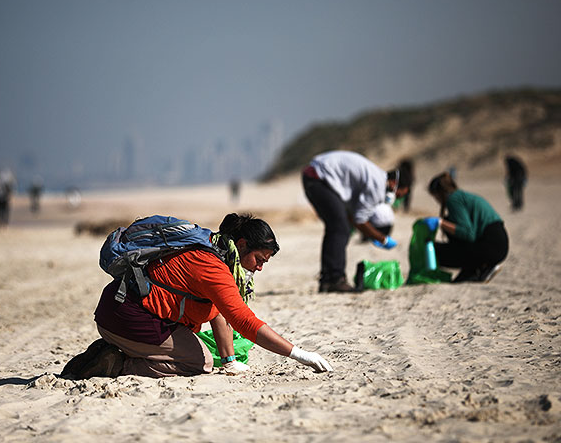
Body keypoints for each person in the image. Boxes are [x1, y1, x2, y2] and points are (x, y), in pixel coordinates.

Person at [62, 213, 333, 379]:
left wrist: (230, 362)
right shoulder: (212, 266)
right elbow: (242, 320)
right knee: (198, 361)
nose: (259, 268)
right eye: (258, 259)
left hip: (122, 308)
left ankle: (113, 353)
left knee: (202, 356)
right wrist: (300, 354)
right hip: (125, 315)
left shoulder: (215, 251)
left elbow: (217, 310)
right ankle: (115, 364)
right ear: (241, 245)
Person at [302, 150, 411, 293]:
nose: (395, 197)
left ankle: (328, 280)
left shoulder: (375, 177)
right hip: (318, 178)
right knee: (340, 228)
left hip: (316, 175)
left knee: (337, 227)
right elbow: (360, 220)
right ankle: (335, 279)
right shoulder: (377, 186)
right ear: (393, 183)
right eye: (398, 194)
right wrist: (382, 238)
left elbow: (352, 216)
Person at [423, 172, 509, 283]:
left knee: (436, 251)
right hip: (498, 246)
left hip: (491, 248)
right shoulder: (461, 196)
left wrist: (440, 223)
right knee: (448, 224)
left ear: (439, 193)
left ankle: (478, 267)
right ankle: (474, 269)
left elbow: (468, 234)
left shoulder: (453, 199)